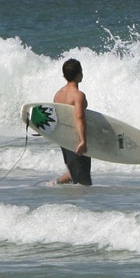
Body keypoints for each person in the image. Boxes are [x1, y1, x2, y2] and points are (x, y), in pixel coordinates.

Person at [52, 58, 92, 186]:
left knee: (74, 171)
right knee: (84, 181)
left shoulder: (58, 94)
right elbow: (79, 119)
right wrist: (83, 141)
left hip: (63, 138)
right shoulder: (78, 95)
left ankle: (55, 183)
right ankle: (79, 205)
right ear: (80, 74)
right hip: (76, 138)